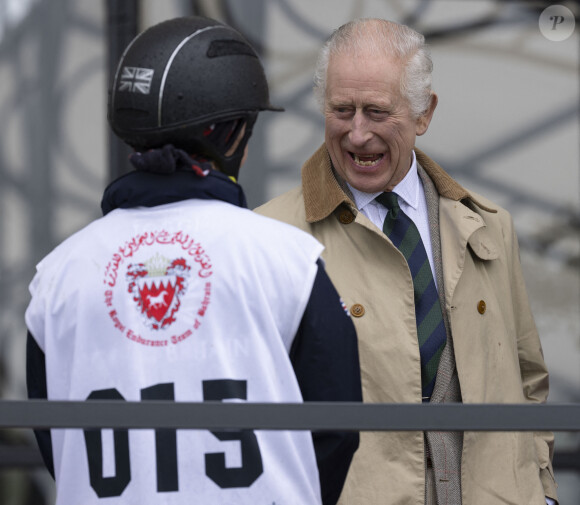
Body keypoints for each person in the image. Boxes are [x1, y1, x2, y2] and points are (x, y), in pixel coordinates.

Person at [25, 16, 362, 505]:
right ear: (231, 137)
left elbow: (58, 444)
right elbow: (337, 429)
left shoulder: (57, 277)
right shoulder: (287, 259)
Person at [255, 18, 558, 505]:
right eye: (341, 110)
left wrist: (540, 490)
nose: (357, 134)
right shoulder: (269, 237)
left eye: (376, 111)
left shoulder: (489, 225)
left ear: (423, 113)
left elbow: (528, 380)